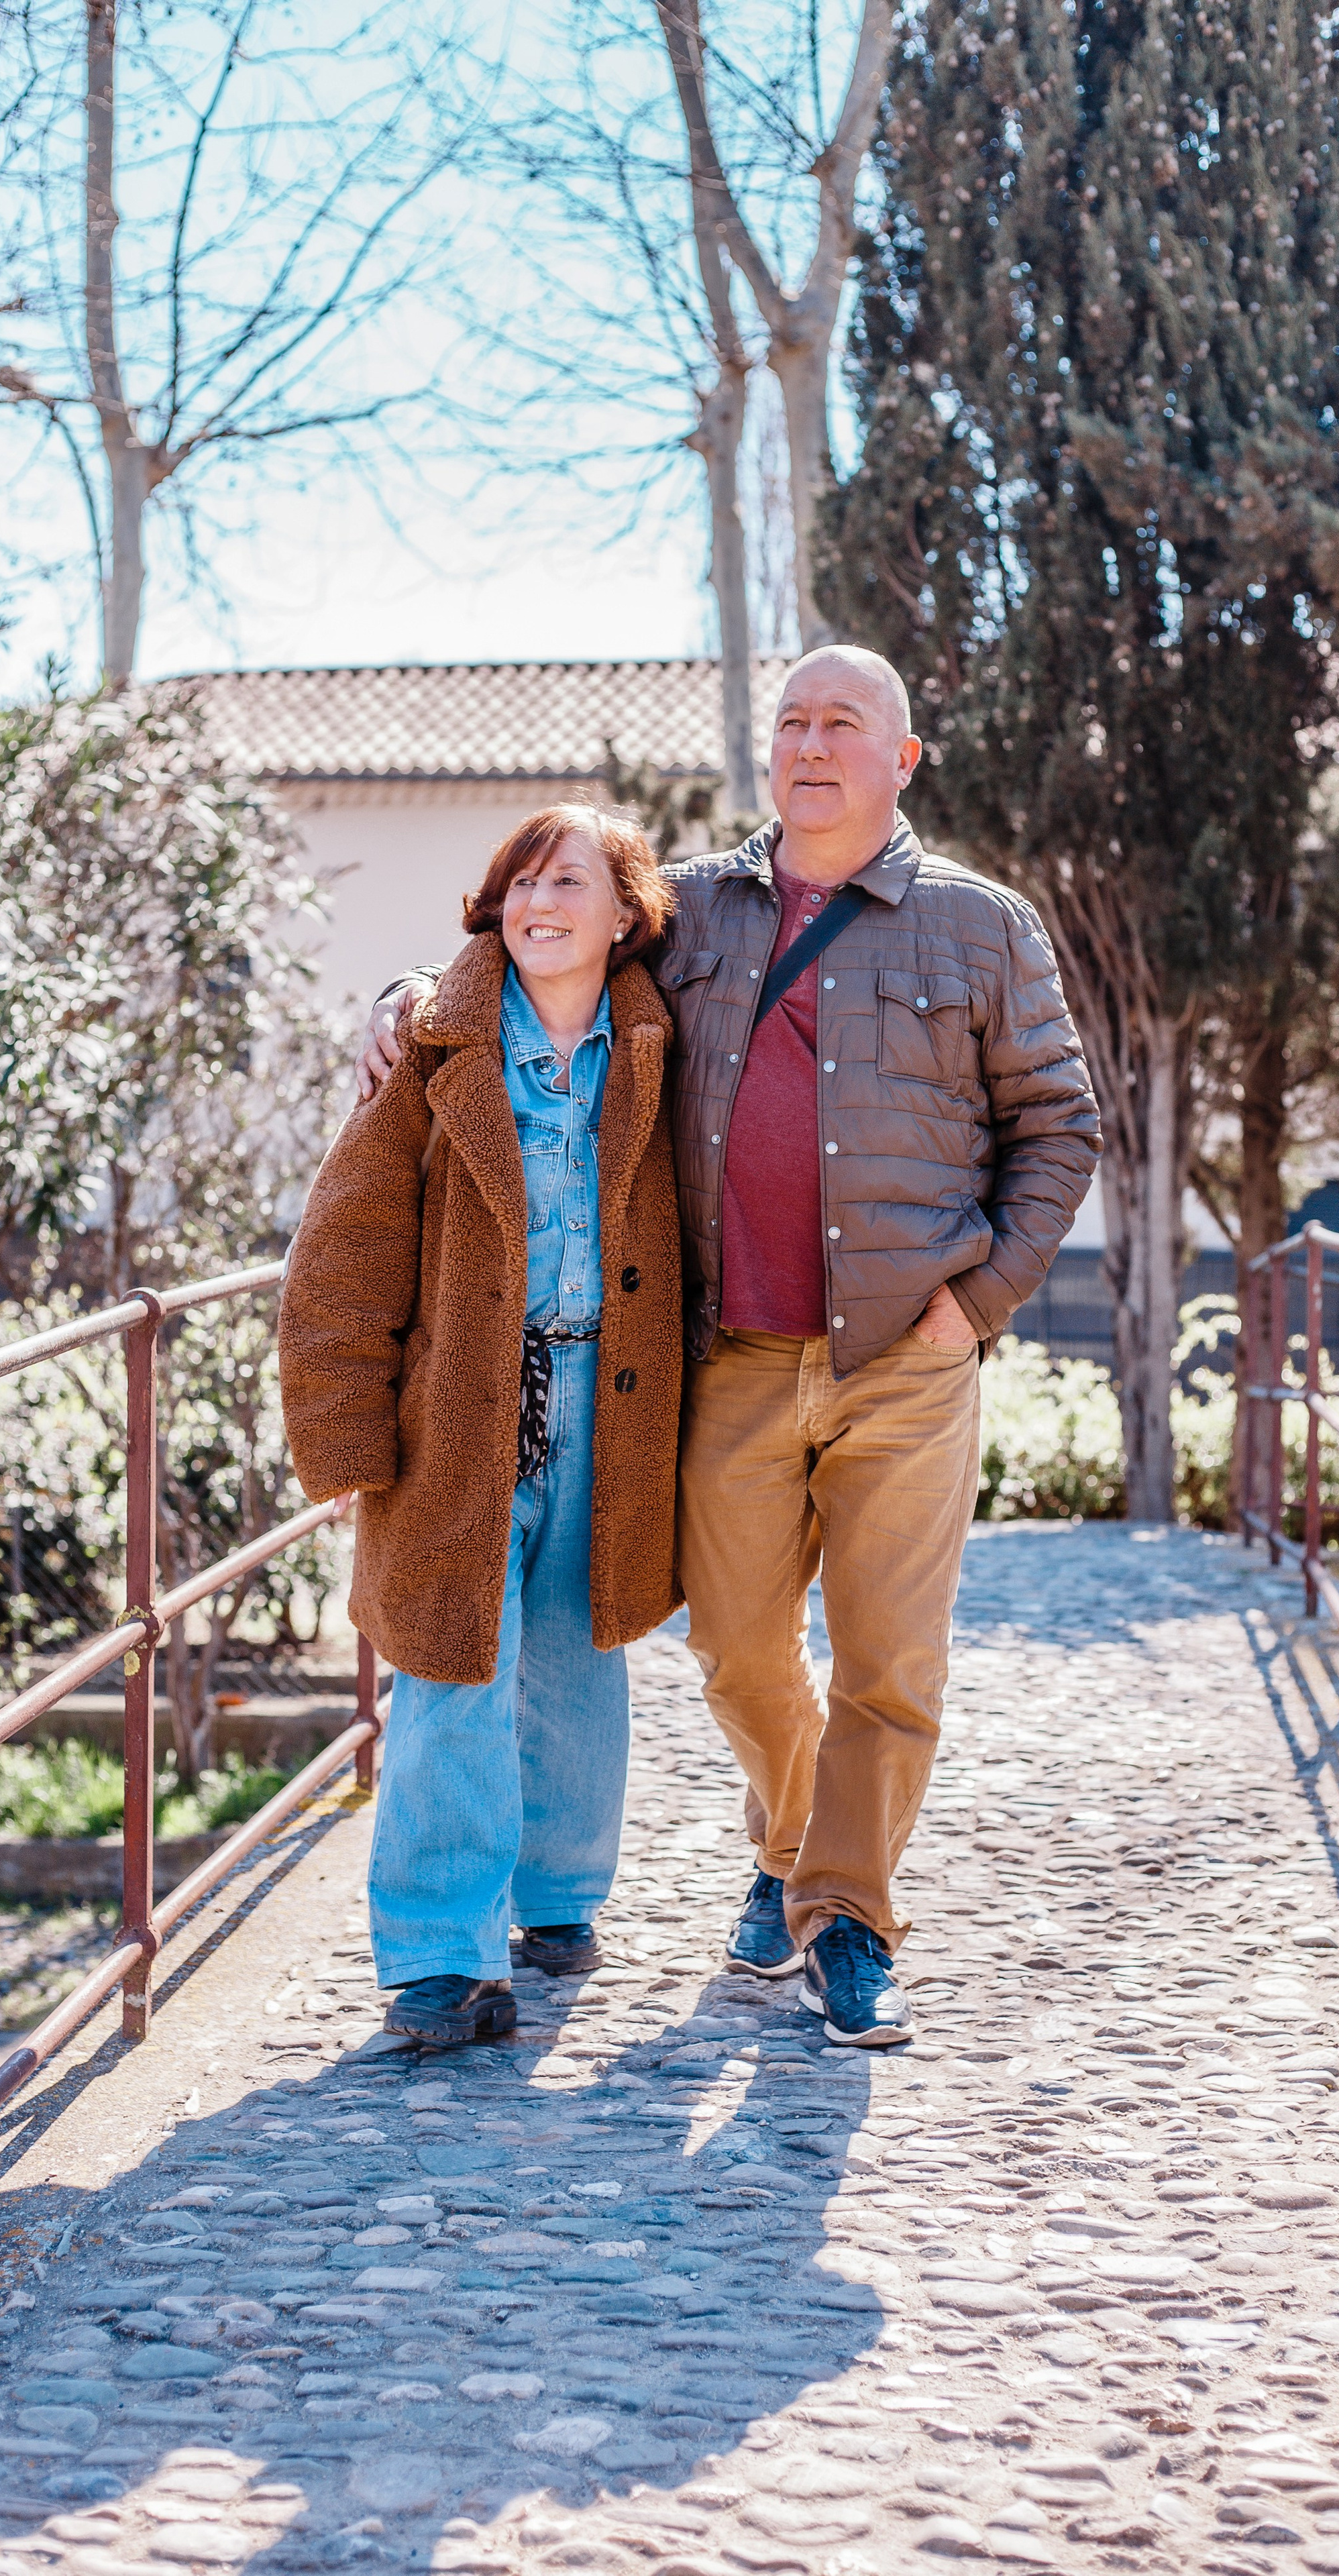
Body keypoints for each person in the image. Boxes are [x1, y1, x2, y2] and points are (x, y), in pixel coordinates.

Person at [357, 647, 1100, 2047]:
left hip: (908, 1354)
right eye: (792, 722)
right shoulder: (689, 911)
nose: (811, 745)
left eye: (844, 724)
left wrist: (976, 1301)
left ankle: (847, 1918)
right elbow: (529, 954)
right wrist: (406, 987)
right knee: (736, 1651)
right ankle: (787, 1842)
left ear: (903, 757)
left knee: (890, 1665)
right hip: (727, 1359)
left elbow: (1057, 1128)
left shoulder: (981, 926)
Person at [281, 805, 684, 2046]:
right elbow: (341, 1253)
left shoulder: (665, 1045)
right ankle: (439, 1960)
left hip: (609, 1401)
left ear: (627, 915)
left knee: (577, 1651)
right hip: (462, 1405)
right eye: (518, 882)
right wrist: (343, 1438)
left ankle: (559, 1900)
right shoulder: (436, 1047)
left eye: (569, 882)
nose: (538, 904)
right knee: (454, 1664)